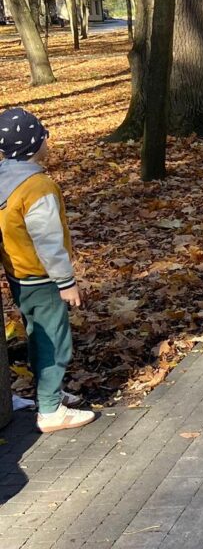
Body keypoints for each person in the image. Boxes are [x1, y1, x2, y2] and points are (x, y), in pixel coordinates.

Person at [0, 108, 96, 432]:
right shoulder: (37, 187)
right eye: (43, 136)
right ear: (33, 145)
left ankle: (48, 393)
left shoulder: (4, 179)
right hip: (43, 279)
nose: (47, 141)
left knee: (36, 335)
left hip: (19, 275)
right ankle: (51, 410)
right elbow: (48, 242)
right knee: (55, 340)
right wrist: (66, 282)